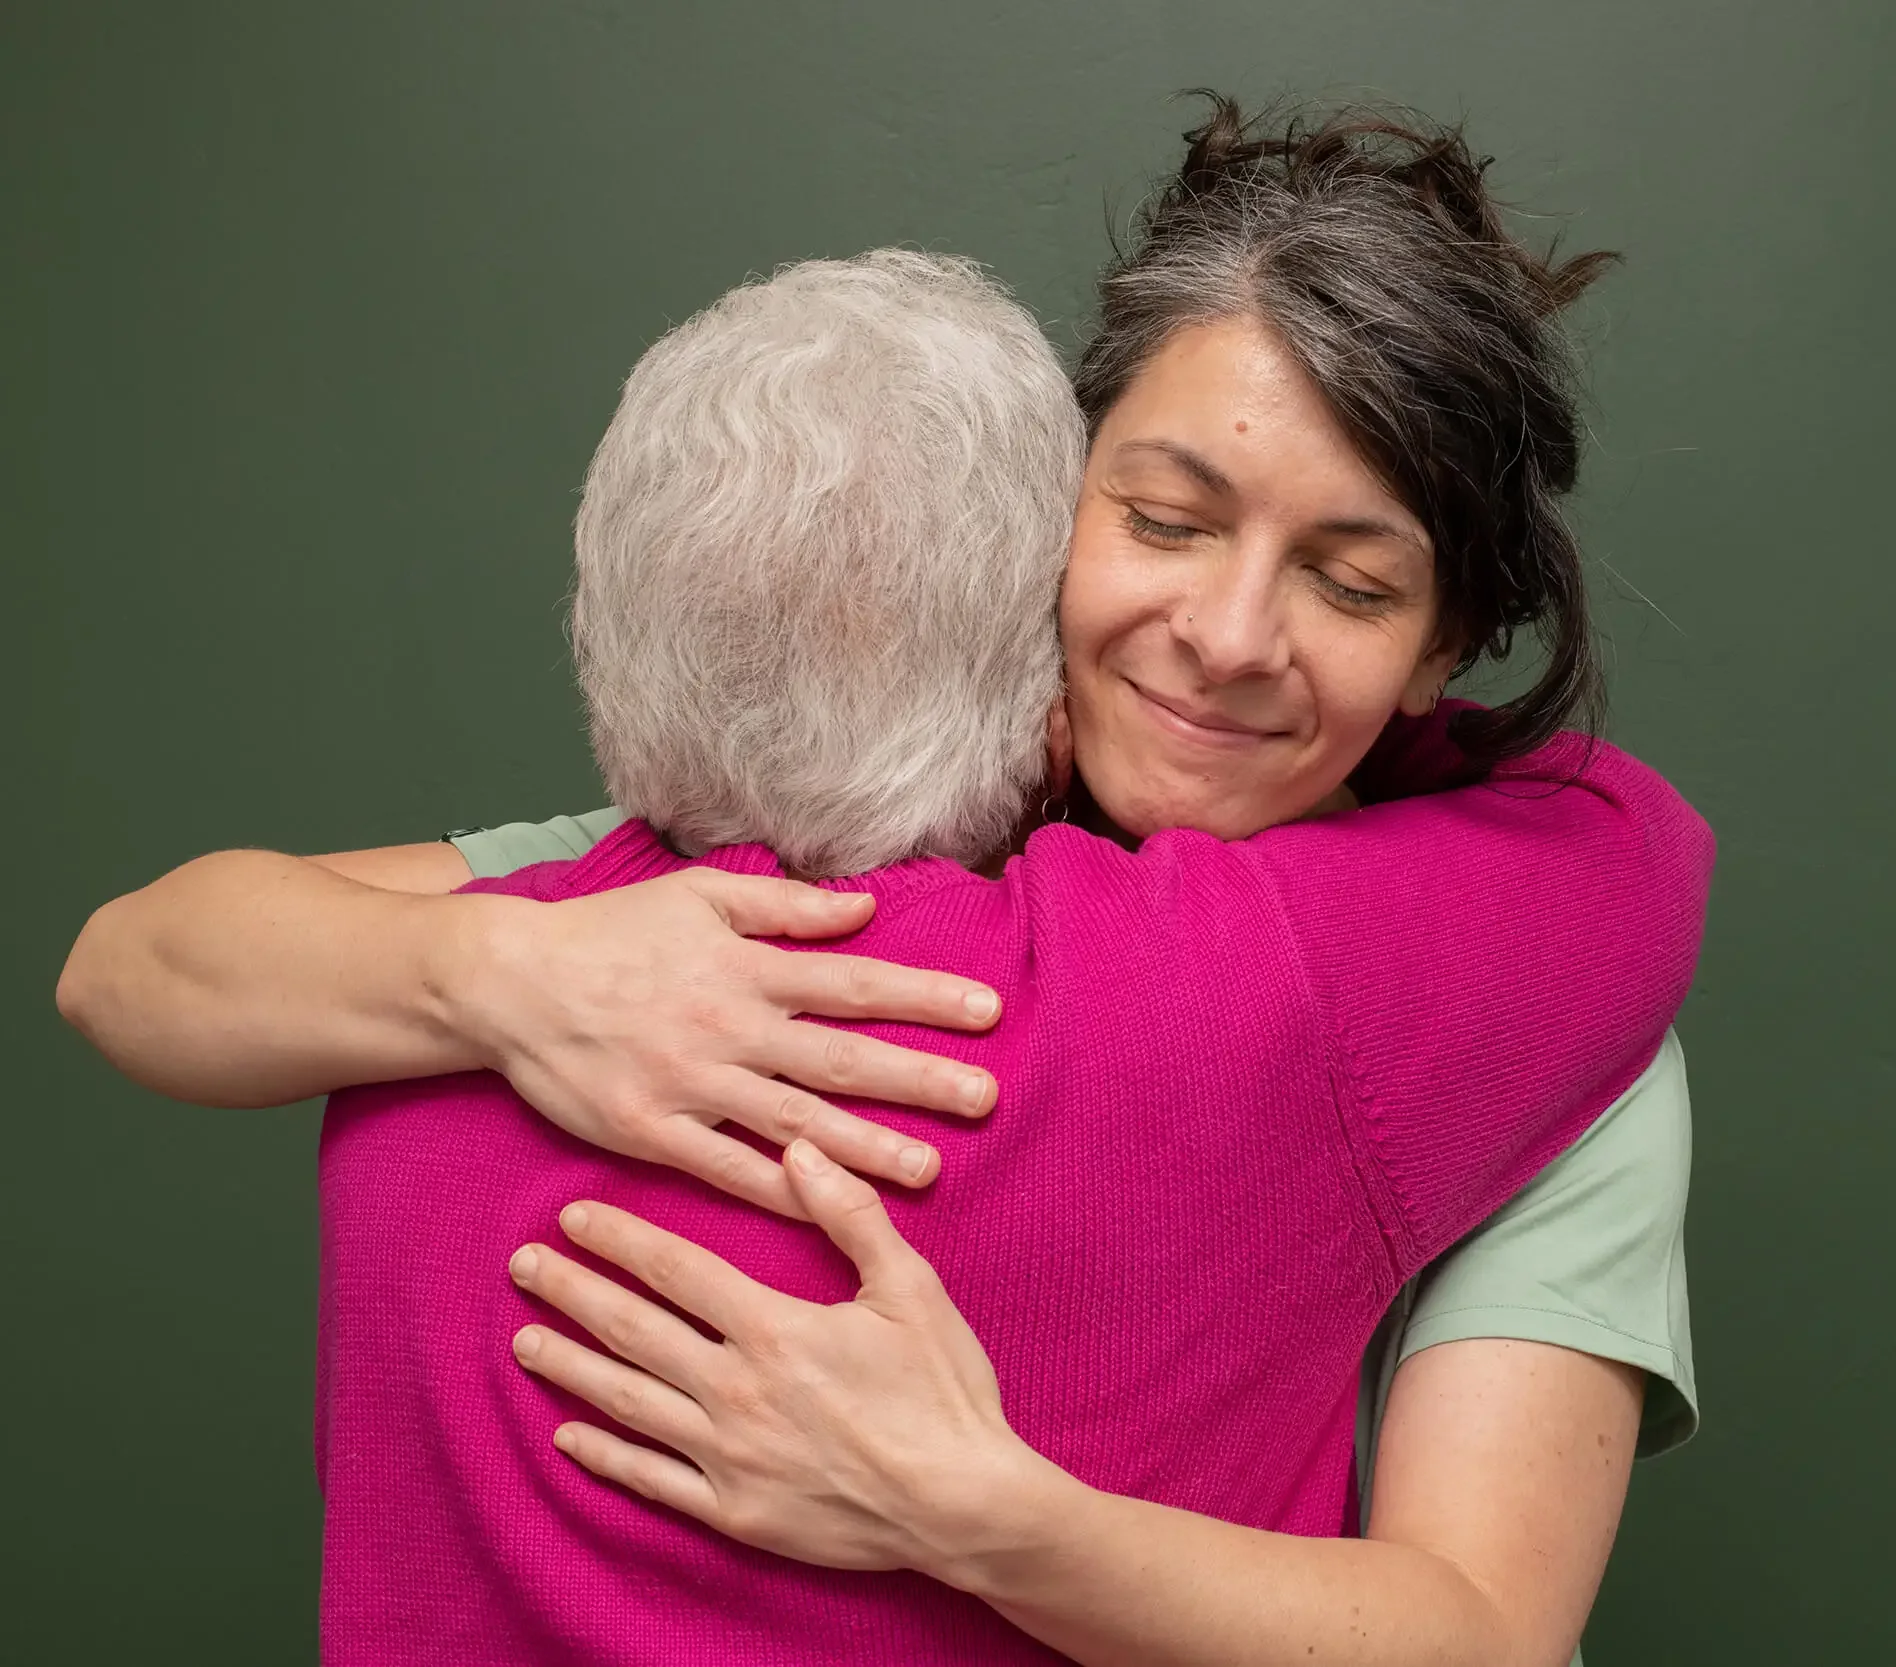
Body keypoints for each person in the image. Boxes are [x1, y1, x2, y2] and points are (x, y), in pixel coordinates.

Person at [59, 100, 1706, 1665]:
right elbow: (136, 963)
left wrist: (980, 1515)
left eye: (1351, 584)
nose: (1226, 635)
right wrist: (506, 977)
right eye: (1162, 517)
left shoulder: (1538, 1026)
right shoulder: (718, 902)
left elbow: (1483, 1631)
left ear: (1442, 654)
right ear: (1045, 500)